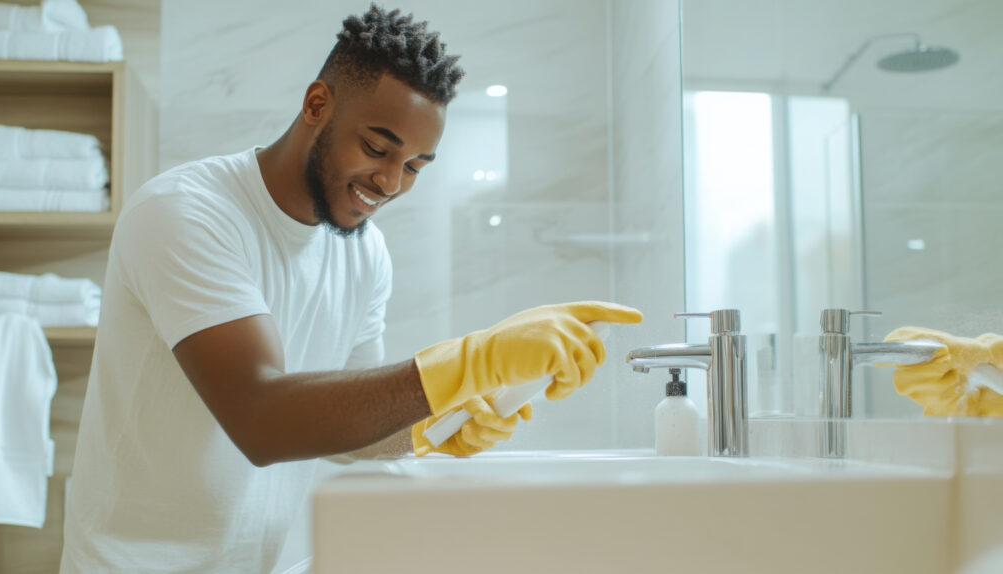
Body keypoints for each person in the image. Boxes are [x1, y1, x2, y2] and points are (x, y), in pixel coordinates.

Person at [59, 4, 642, 573]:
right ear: (318, 104)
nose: (390, 181)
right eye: (377, 147)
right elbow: (259, 416)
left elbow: (344, 429)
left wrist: (431, 429)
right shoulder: (187, 213)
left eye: (414, 165)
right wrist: (466, 363)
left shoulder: (363, 252)